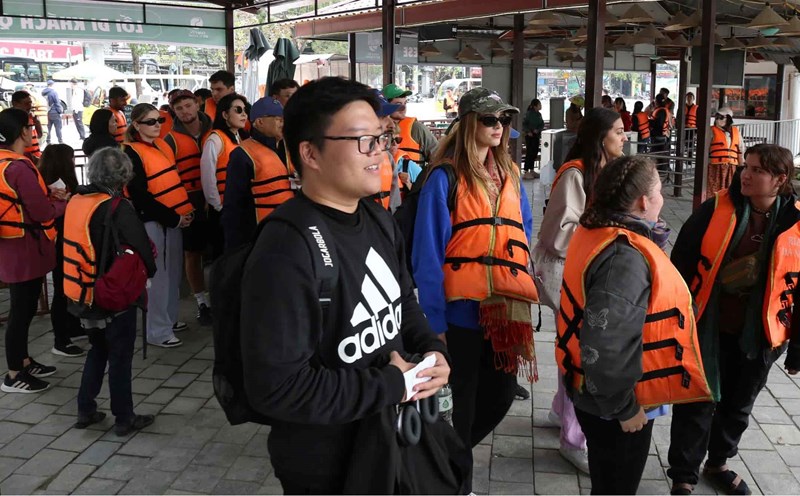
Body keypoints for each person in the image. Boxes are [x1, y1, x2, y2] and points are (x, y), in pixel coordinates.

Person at [240, 76, 450, 494]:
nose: (379, 154)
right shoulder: (286, 248)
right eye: (363, 141)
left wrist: (433, 350)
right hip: (329, 463)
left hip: (391, 437)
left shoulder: (377, 218)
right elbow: (278, 389)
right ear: (310, 153)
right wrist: (393, 384)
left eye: (381, 138)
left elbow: (403, 300)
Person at [557, 155, 710, 495]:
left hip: (594, 395)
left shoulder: (598, 229)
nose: (662, 199)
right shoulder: (623, 256)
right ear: (643, 201)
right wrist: (624, 409)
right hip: (615, 407)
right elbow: (606, 343)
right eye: (658, 192)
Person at [413, 87, 537, 481]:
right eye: (489, 119)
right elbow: (427, 256)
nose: (498, 126)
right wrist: (435, 325)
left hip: (505, 307)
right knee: (462, 402)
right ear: (469, 124)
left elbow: (524, 229)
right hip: (461, 312)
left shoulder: (511, 175)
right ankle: (457, 479)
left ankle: (450, 458)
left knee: (500, 396)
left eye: (503, 120)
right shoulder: (444, 178)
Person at [667, 143, 800, 495]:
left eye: (757, 170)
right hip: (707, 325)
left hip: (759, 335)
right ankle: (683, 475)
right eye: (746, 166)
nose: (746, 174)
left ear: (780, 179)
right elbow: (680, 264)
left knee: (739, 404)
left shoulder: (797, 222)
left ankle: (718, 463)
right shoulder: (715, 209)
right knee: (696, 400)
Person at [533, 107, 627, 474]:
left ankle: (562, 412)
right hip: (574, 277)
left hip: (593, 275)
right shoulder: (575, 174)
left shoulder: (605, 171)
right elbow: (557, 234)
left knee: (576, 351)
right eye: (618, 132)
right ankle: (573, 438)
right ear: (600, 137)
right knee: (578, 356)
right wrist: (609, 230)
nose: (624, 138)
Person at [64, 147, 158, 436]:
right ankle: (124, 417)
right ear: (124, 176)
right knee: (120, 355)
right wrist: (150, 273)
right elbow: (141, 245)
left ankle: (86, 408)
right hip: (112, 293)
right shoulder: (117, 207)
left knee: (98, 348)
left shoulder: (78, 199)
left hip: (82, 291)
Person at [0, 108, 68, 393]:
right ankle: (14, 374)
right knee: (21, 311)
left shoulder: (6, 162)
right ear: (21, 132)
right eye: (31, 126)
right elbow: (40, 212)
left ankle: (24, 361)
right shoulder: (18, 167)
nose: (34, 131)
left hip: (13, 246)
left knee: (24, 308)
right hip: (23, 249)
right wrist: (65, 203)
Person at [123, 103, 194, 348]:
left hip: (173, 218)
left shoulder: (162, 146)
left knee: (173, 274)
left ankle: (169, 320)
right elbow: (139, 195)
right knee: (159, 276)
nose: (156, 126)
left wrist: (181, 214)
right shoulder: (131, 152)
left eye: (159, 121)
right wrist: (172, 218)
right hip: (155, 221)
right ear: (136, 125)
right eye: (150, 122)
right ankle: (157, 331)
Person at [163, 89, 214, 325]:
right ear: (174, 111)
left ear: (197, 104)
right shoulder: (170, 140)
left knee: (220, 250)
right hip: (189, 200)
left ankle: (223, 297)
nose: (185, 111)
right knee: (192, 253)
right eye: (179, 108)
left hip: (217, 197)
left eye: (188, 105)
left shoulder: (216, 130)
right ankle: (202, 302)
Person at [223, 96, 294, 251]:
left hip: (290, 231)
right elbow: (233, 206)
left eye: (283, 118)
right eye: (277, 118)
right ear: (260, 122)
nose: (282, 123)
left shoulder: (289, 149)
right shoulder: (242, 154)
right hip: (259, 237)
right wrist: (235, 249)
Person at [37, 144, 84, 357]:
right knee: (62, 289)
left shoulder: (45, 183)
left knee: (69, 287)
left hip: (65, 242)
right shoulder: (57, 187)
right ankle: (61, 340)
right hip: (60, 243)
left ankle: (73, 327)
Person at [201, 93, 249, 258]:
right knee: (222, 256)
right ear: (225, 115)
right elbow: (208, 178)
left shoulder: (239, 138)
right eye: (238, 110)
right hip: (222, 210)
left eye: (245, 110)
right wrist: (218, 206)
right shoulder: (215, 140)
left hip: (236, 207)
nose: (244, 114)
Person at [383, 83, 439, 168]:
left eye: (405, 103)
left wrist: (423, 178)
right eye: (398, 104)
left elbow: (439, 158)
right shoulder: (375, 129)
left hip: (414, 179)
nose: (403, 108)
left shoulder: (417, 129)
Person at [707, 107, 743, 200]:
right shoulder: (711, 131)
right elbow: (705, 149)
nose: (718, 120)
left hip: (732, 167)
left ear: (728, 119)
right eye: (717, 117)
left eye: (721, 117)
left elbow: (741, 149)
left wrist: (742, 166)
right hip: (716, 166)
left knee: (731, 190)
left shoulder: (736, 131)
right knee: (713, 191)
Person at [11, 90, 43, 164]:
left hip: (36, 158)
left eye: (30, 103)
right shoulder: (9, 119)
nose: (30, 106)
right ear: (15, 103)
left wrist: (37, 122)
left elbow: (39, 135)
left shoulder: (31, 117)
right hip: (21, 160)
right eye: (26, 103)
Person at [650, 94, 672, 174]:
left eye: (655, 100)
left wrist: (649, 122)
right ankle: (661, 169)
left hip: (658, 136)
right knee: (661, 152)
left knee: (655, 153)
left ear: (657, 101)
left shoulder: (661, 111)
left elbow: (659, 124)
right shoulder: (664, 110)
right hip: (663, 135)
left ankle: (660, 170)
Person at [522, 98, 545, 174]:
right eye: (539, 105)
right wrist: (528, 131)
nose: (540, 106)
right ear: (535, 106)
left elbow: (542, 124)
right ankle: (526, 169)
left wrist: (538, 130)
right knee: (529, 152)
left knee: (535, 152)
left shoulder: (539, 114)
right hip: (529, 135)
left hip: (536, 135)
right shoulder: (528, 114)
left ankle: (531, 169)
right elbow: (524, 124)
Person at [42, 80, 63, 145]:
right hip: (54, 112)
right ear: (52, 85)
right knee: (58, 127)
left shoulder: (43, 92)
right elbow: (57, 102)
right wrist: (60, 111)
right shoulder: (53, 92)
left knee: (48, 128)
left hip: (46, 112)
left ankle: (48, 141)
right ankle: (60, 141)